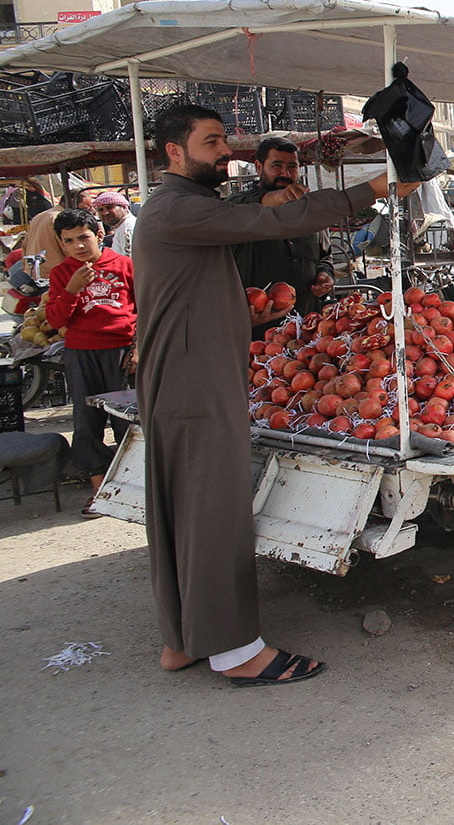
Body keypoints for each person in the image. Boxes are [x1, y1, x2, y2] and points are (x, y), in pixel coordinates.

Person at [134, 104, 415, 686]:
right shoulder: (179, 207)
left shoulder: (181, 209)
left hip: (185, 373)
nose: (224, 152)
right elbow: (277, 223)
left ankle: (183, 640)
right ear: (174, 153)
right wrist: (379, 187)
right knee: (214, 510)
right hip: (194, 380)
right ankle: (236, 651)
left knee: (181, 509)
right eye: (211, 142)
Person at [45, 208, 136, 518]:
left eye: (83, 237)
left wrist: (138, 348)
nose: (78, 246)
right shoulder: (60, 274)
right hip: (81, 352)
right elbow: (56, 320)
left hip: (121, 351)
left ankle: (134, 485)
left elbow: (148, 307)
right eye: (69, 241)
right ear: (61, 244)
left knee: (129, 419)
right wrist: (72, 289)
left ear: (98, 234)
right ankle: (98, 489)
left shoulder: (124, 265)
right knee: (87, 421)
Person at [231, 137, 336, 337]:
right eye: (277, 165)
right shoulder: (241, 210)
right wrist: (278, 199)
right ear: (259, 167)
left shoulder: (309, 211)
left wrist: (325, 276)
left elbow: (325, 256)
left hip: (306, 327)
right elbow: (235, 204)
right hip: (257, 332)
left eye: (292, 166)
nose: (285, 174)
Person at [93, 191, 137, 256]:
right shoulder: (122, 226)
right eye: (101, 210)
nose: (105, 213)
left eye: (109, 207)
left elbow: (130, 259)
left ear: (124, 207)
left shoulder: (127, 227)